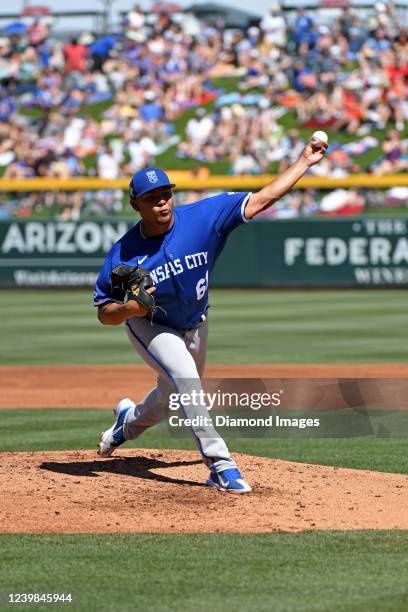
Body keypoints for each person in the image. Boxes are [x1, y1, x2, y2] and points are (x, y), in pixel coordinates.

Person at [94, 137, 328, 493]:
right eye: (152, 198)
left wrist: (303, 163)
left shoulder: (204, 217)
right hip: (151, 323)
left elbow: (262, 198)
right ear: (135, 204)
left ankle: (125, 425)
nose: (162, 203)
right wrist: (129, 308)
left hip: (196, 322)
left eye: (166, 194)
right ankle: (220, 465)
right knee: (188, 382)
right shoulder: (123, 253)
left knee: (171, 398)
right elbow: (105, 312)